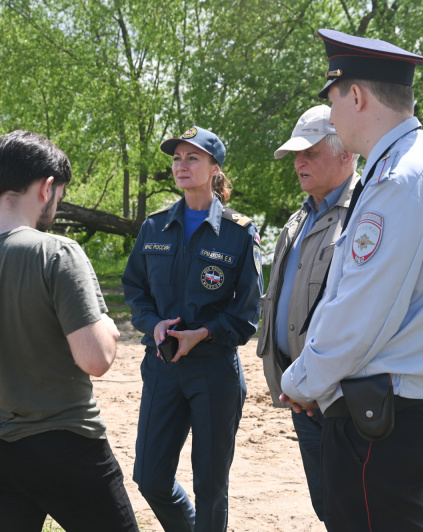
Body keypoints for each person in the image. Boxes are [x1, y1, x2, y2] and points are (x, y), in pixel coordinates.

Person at [279, 29, 423, 531]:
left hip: (382, 418)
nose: (330, 116)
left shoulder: (400, 179)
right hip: (403, 407)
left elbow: (359, 312)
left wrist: (301, 380)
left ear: (356, 95)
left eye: (331, 100)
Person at [0, 130, 139, 532]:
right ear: (47, 187)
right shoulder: (58, 252)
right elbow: (95, 359)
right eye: (59, 194)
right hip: (69, 445)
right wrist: (107, 326)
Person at [122, 125, 263, 531]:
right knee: (149, 478)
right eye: (177, 158)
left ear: (214, 168)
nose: (181, 166)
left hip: (213, 371)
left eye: (193, 158)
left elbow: (247, 311)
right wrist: (153, 325)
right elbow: (135, 288)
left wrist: (203, 333)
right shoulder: (155, 227)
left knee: (211, 486)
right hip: (163, 367)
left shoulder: (239, 232)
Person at [256, 104, 360, 522]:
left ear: (346, 153)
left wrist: (316, 381)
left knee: (356, 512)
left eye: (310, 152)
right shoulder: (297, 220)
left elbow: (357, 317)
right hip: (300, 395)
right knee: (327, 507)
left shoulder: (363, 215)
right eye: (296, 154)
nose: (299, 162)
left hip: (341, 399)